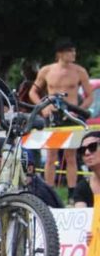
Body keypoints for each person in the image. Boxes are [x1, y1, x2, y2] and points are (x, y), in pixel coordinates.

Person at [30, 39, 93, 190]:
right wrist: (43, 108)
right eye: (70, 51)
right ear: (60, 54)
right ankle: (49, 190)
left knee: (71, 156)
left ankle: (72, 190)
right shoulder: (46, 70)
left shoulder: (79, 71)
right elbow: (33, 92)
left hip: (71, 115)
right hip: (53, 115)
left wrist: (78, 110)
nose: (74, 54)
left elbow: (90, 96)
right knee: (51, 156)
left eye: (74, 51)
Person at [72, 131, 100, 207]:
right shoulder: (82, 187)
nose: (87, 153)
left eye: (92, 147)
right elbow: (80, 212)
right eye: (82, 150)